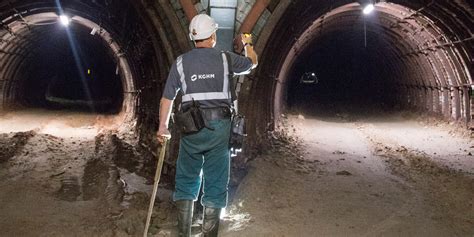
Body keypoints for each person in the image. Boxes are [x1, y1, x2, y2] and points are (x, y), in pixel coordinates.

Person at [156, 14, 258, 237]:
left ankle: (183, 232)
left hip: (190, 128)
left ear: (193, 37)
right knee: (216, 180)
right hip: (219, 128)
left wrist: (162, 127)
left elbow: (167, 98)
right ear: (213, 35)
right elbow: (252, 63)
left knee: (186, 179)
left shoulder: (180, 62)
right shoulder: (225, 58)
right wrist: (248, 43)